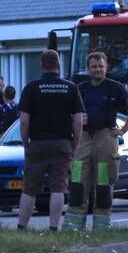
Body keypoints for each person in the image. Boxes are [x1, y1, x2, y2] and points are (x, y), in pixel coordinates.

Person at [17, 50, 85, 231]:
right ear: (59, 65)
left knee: (30, 188)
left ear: (41, 65)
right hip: (62, 144)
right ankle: (54, 228)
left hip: (38, 144)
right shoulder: (70, 87)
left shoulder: (31, 88)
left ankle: (22, 226)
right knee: (58, 187)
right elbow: (78, 121)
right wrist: (74, 145)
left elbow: (24, 121)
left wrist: (26, 145)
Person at [64, 52, 128, 231]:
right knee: (77, 181)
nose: (98, 69)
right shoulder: (80, 88)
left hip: (105, 137)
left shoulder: (116, 88)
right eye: (94, 66)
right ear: (88, 68)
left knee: (103, 183)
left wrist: (123, 130)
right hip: (83, 139)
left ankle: (102, 226)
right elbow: (69, 113)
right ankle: (73, 226)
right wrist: (74, 121)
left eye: (101, 66)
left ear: (106, 67)